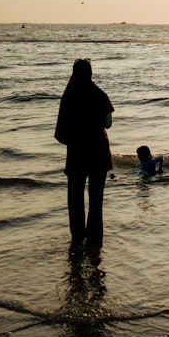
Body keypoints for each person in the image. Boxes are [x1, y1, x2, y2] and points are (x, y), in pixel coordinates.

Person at [54, 59, 114, 246]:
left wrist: (74, 138)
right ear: (90, 73)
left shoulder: (68, 95)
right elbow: (108, 124)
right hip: (98, 151)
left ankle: (78, 237)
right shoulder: (99, 94)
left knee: (75, 198)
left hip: (77, 153)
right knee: (96, 200)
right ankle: (95, 240)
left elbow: (60, 131)